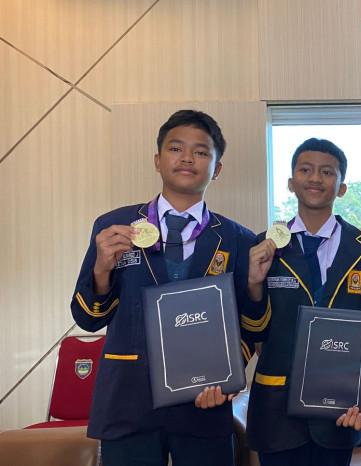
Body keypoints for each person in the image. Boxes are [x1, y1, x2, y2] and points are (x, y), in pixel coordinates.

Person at [70, 109, 256, 465]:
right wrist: (101, 270)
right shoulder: (114, 226)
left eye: (200, 152)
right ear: (157, 160)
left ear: (217, 168)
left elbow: (250, 326)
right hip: (129, 400)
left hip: (204, 403)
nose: (187, 158)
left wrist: (227, 378)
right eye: (175, 148)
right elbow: (87, 318)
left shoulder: (239, 240)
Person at [243, 138, 361, 466]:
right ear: (291, 183)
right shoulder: (263, 246)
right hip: (276, 407)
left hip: (340, 408)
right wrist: (253, 284)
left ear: (342, 188)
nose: (316, 178)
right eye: (305, 170)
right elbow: (253, 327)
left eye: (327, 172)